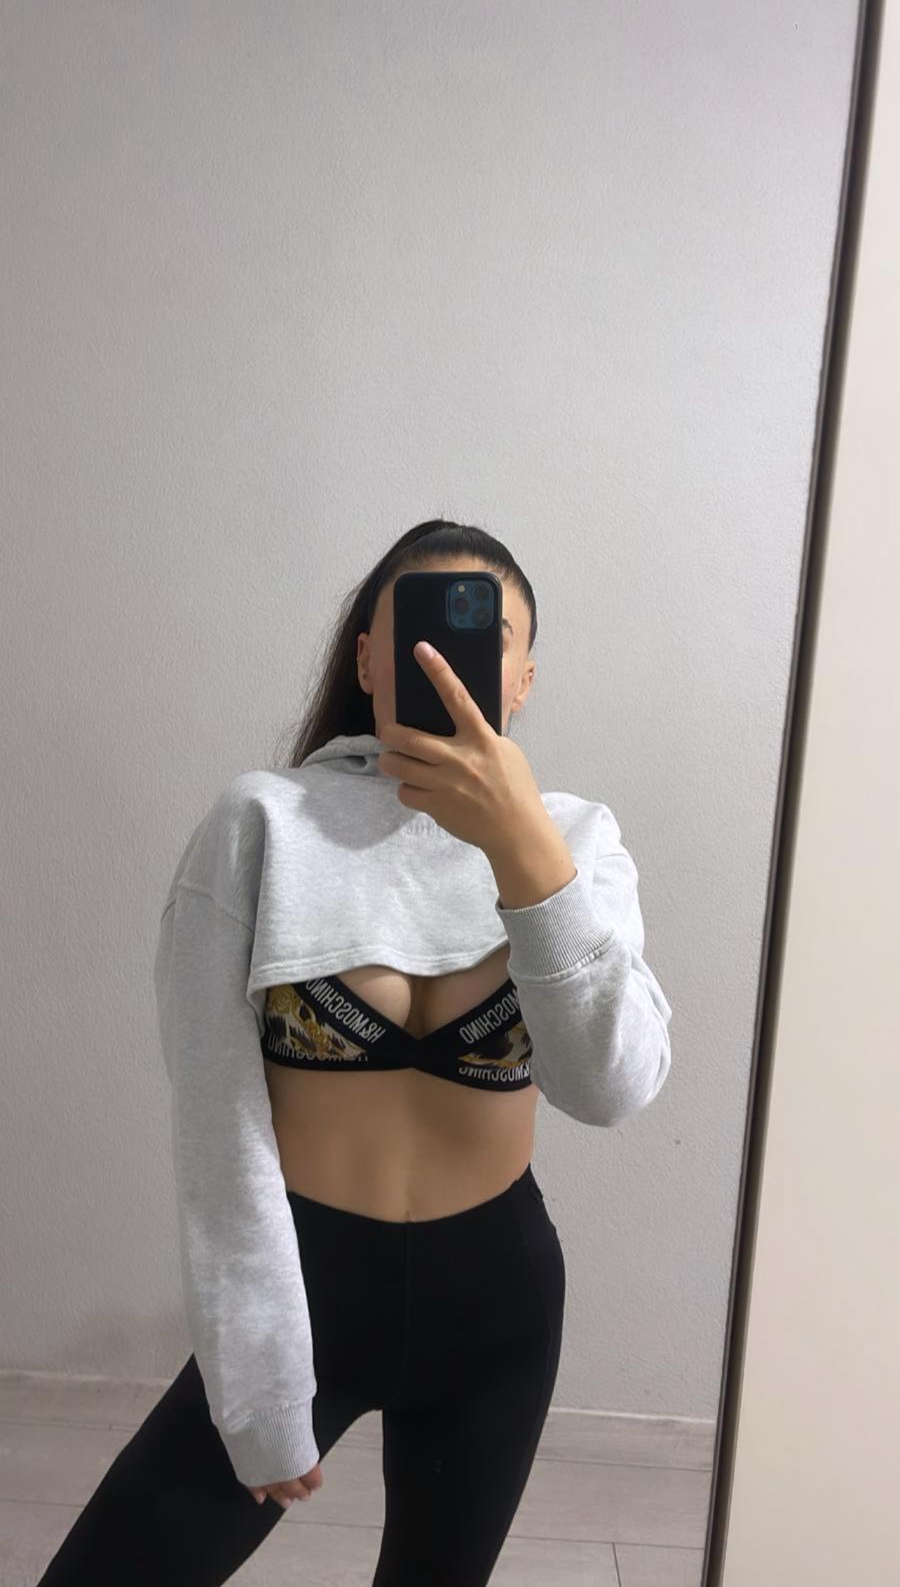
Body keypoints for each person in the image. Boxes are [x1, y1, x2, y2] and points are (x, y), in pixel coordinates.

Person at [36, 519, 672, 1586]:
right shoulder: (262, 823)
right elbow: (217, 1121)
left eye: (486, 636)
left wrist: (523, 849)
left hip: (499, 1302)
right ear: (369, 658)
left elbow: (611, 1086)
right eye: (412, 630)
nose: (442, 657)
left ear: (523, 676)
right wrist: (257, 1381)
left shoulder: (575, 839)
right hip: (305, 1283)